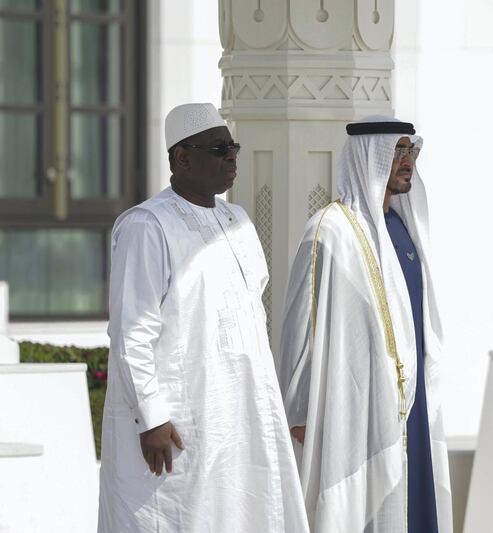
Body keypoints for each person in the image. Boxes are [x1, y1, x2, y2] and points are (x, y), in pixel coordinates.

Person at [98, 103, 308, 533]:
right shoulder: (147, 225)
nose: (231, 157)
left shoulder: (238, 220)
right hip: (179, 415)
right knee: (179, 518)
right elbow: (131, 332)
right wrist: (151, 417)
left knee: (241, 512)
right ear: (182, 158)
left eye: (233, 147)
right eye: (218, 149)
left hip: (238, 409)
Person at [278, 116, 452, 533]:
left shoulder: (405, 229)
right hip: (354, 406)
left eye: (412, 151)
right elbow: (301, 325)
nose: (408, 161)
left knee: (414, 507)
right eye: (397, 151)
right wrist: (299, 407)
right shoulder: (330, 231)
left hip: (410, 404)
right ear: (370, 157)